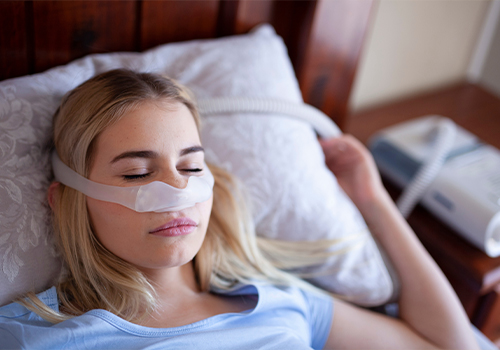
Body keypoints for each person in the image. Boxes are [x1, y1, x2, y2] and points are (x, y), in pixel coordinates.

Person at [0, 69, 479, 349]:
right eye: (136, 174)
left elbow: (450, 345)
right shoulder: (32, 336)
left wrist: (374, 202)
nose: (178, 193)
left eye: (190, 168)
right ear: (68, 199)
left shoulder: (284, 302)